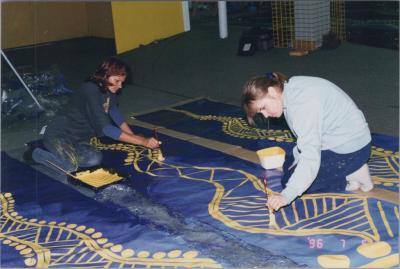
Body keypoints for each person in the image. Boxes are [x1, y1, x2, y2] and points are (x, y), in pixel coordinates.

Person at [242, 72, 374, 211]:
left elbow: (310, 156)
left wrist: (286, 195)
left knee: (290, 182)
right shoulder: (290, 89)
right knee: (290, 165)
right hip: (342, 140)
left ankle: (353, 172)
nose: (266, 115)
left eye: (263, 108)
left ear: (272, 91)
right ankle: (349, 168)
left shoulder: (301, 104)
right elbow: (304, 142)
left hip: (352, 149)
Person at [32, 57, 159, 173]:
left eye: (122, 82)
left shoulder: (108, 90)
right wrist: (142, 141)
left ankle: (62, 154)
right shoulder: (90, 90)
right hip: (59, 136)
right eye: (117, 81)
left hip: (79, 140)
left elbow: (116, 116)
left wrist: (133, 137)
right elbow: (107, 129)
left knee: (94, 159)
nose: (120, 86)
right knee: (70, 166)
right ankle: (37, 154)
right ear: (105, 75)